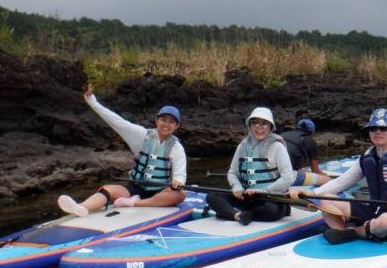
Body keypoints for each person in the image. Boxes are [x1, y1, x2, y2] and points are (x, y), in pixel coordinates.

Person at [291, 107, 387, 244]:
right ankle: (342, 231)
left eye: (383, 128)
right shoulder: (366, 158)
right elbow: (341, 182)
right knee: (326, 200)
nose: (377, 132)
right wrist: (311, 194)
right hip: (373, 210)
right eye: (373, 128)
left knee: (385, 222)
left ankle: (354, 231)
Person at [56, 84, 186, 217]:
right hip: (135, 188)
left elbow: (180, 174)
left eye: (171, 122)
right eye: (163, 120)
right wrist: (92, 101)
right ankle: (82, 207)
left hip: (159, 192)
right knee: (108, 189)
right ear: (156, 120)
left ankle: (134, 203)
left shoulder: (177, 148)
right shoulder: (141, 135)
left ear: (176, 126)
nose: (166, 124)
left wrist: (178, 181)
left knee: (180, 194)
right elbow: (116, 120)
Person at [205, 107, 296, 225]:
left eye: (264, 124)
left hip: (270, 198)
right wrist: (237, 187)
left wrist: (263, 191)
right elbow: (232, 172)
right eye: (255, 123)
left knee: (272, 210)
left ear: (271, 127)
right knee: (212, 196)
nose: (259, 127)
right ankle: (238, 215)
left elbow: (288, 178)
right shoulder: (242, 146)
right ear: (250, 126)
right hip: (246, 197)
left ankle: (235, 213)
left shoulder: (278, 147)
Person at [280, 118, 331, 186]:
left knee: (301, 170)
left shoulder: (282, 134)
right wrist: (324, 175)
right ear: (312, 132)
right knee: (326, 179)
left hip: (272, 172)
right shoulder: (310, 141)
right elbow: (315, 171)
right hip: (287, 177)